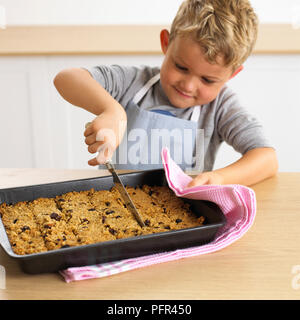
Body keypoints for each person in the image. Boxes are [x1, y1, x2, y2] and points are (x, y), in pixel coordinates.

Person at [53, 0, 278, 187]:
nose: (188, 86)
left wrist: (219, 178)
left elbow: (267, 159)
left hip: (182, 217)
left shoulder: (221, 106)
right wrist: (111, 110)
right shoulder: (132, 81)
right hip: (111, 205)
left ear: (232, 74)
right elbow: (66, 78)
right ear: (166, 43)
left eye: (208, 80)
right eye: (181, 67)